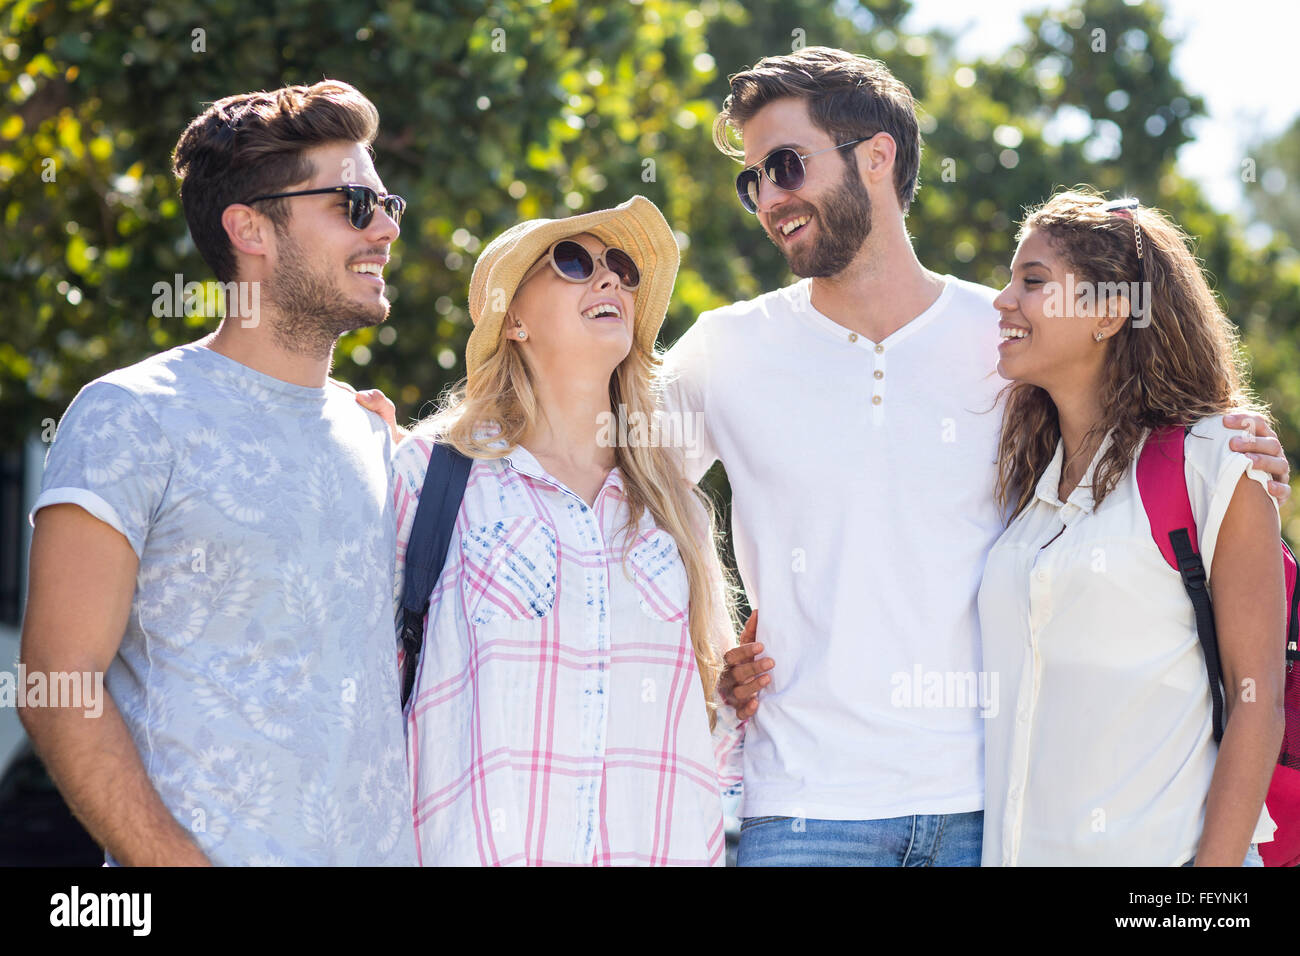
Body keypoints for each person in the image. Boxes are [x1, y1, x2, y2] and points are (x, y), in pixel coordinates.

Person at [662, 46, 1290, 866]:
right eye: (753, 182)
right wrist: (703, 660)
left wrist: (1239, 452)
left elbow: (1136, 439)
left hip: (991, 816)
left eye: (785, 165)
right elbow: (606, 487)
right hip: (806, 811)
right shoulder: (726, 351)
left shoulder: (1007, 345)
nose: (769, 198)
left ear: (877, 157)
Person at [20, 80, 418, 866]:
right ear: (250, 228)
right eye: (353, 204)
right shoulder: (131, 416)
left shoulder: (375, 437)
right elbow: (56, 684)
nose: (385, 228)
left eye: (387, 204)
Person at [389, 196, 748, 866]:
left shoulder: (674, 509)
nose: (610, 278)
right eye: (574, 261)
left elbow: (717, 738)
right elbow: (361, 695)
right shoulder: (429, 477)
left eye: (622, 268)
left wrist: (737, 694)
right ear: (514, 319)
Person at [979, 190, 1283, 866]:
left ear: (1110, 313)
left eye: (1032, 281)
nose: (1002, 300)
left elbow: (1257, 702)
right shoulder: (1028, 494)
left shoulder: (1215, 459)